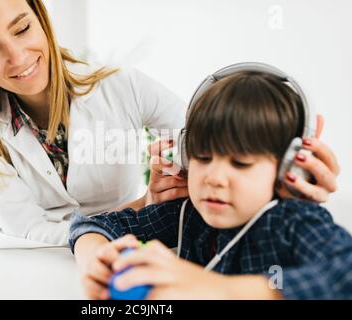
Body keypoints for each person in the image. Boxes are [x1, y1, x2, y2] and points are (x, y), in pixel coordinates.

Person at [0, 0, 339, 245]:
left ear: (40, 16)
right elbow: (29, 232)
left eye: (22, 28)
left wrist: (280, 178)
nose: (18, 57)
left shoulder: (118, 83)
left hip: (135, 242)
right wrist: (137, 206)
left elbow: (203, 136)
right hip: (46, 262)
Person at [69, 70, 352, 299]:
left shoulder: (293, 221)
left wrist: (216, 288)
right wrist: (97, 259)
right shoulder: (188, 214)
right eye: (202, 158)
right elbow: (90, 224)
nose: (214, 178)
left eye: (240, 163)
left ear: (288, 168)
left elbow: (344, 273)